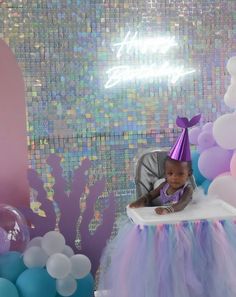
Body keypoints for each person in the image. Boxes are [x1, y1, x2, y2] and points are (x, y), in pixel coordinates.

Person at [129, 113, 201, 215]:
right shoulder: (164, 185)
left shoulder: (187, 189)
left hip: (184, 219)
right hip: (165, 219)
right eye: (170, 174)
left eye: (180, 174)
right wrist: (140, 201)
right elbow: (150, 195)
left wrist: (168, 210)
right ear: (166, 174)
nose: (174, 178)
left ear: (189, 174)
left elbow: (182, 204)